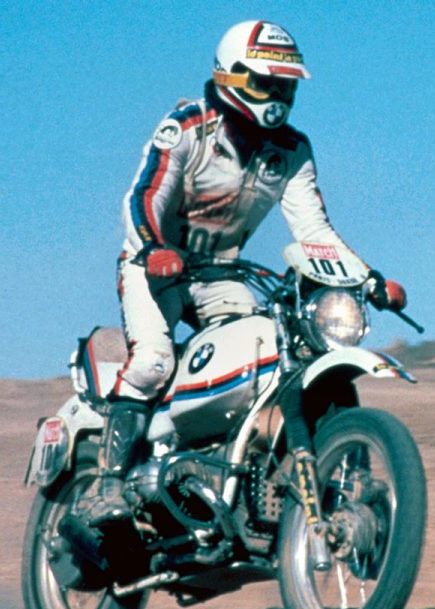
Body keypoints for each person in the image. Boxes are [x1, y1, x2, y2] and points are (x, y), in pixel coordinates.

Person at [76, 20, 408, 530]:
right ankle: (108, 486)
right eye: (266, 83)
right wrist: (154, 247)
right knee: (154, 362)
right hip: (155, 266)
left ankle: (236, 476)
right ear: (232, 78)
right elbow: (144, 195)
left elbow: (315, 228)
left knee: (269, 353)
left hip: (221, 276)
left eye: (287, 85)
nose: (278, 96)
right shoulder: (189, 126)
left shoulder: (291, 151)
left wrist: (368, 280)